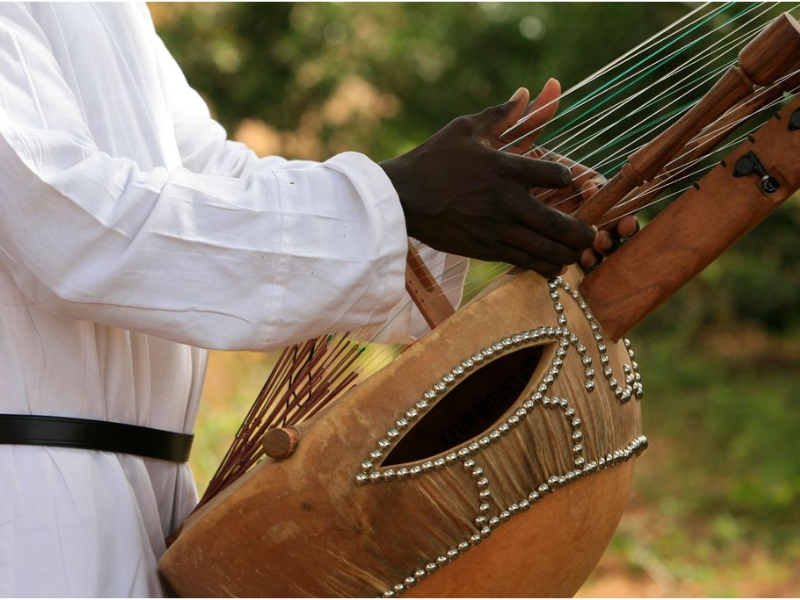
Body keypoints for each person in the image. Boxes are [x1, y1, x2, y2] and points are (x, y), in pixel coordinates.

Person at [0, 3, 635, 597]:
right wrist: (395, 200)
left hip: (147, 500)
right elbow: (71, 223)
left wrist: (456, 210)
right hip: (33, 518)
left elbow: (216, 180)